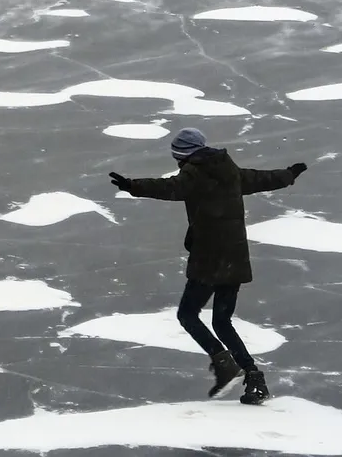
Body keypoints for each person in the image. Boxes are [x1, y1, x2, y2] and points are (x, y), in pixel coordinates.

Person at [108, 128, 308, 405]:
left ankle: (225, 364)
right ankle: (254, 379)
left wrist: (132, 185)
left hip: (210, 259)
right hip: (234, 257)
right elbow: (261, 178)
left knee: (188, 315)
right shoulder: (229, 170)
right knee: (222, 321)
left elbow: (169, 188)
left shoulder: (194, 174)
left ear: (182, 154)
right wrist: (288, 174)